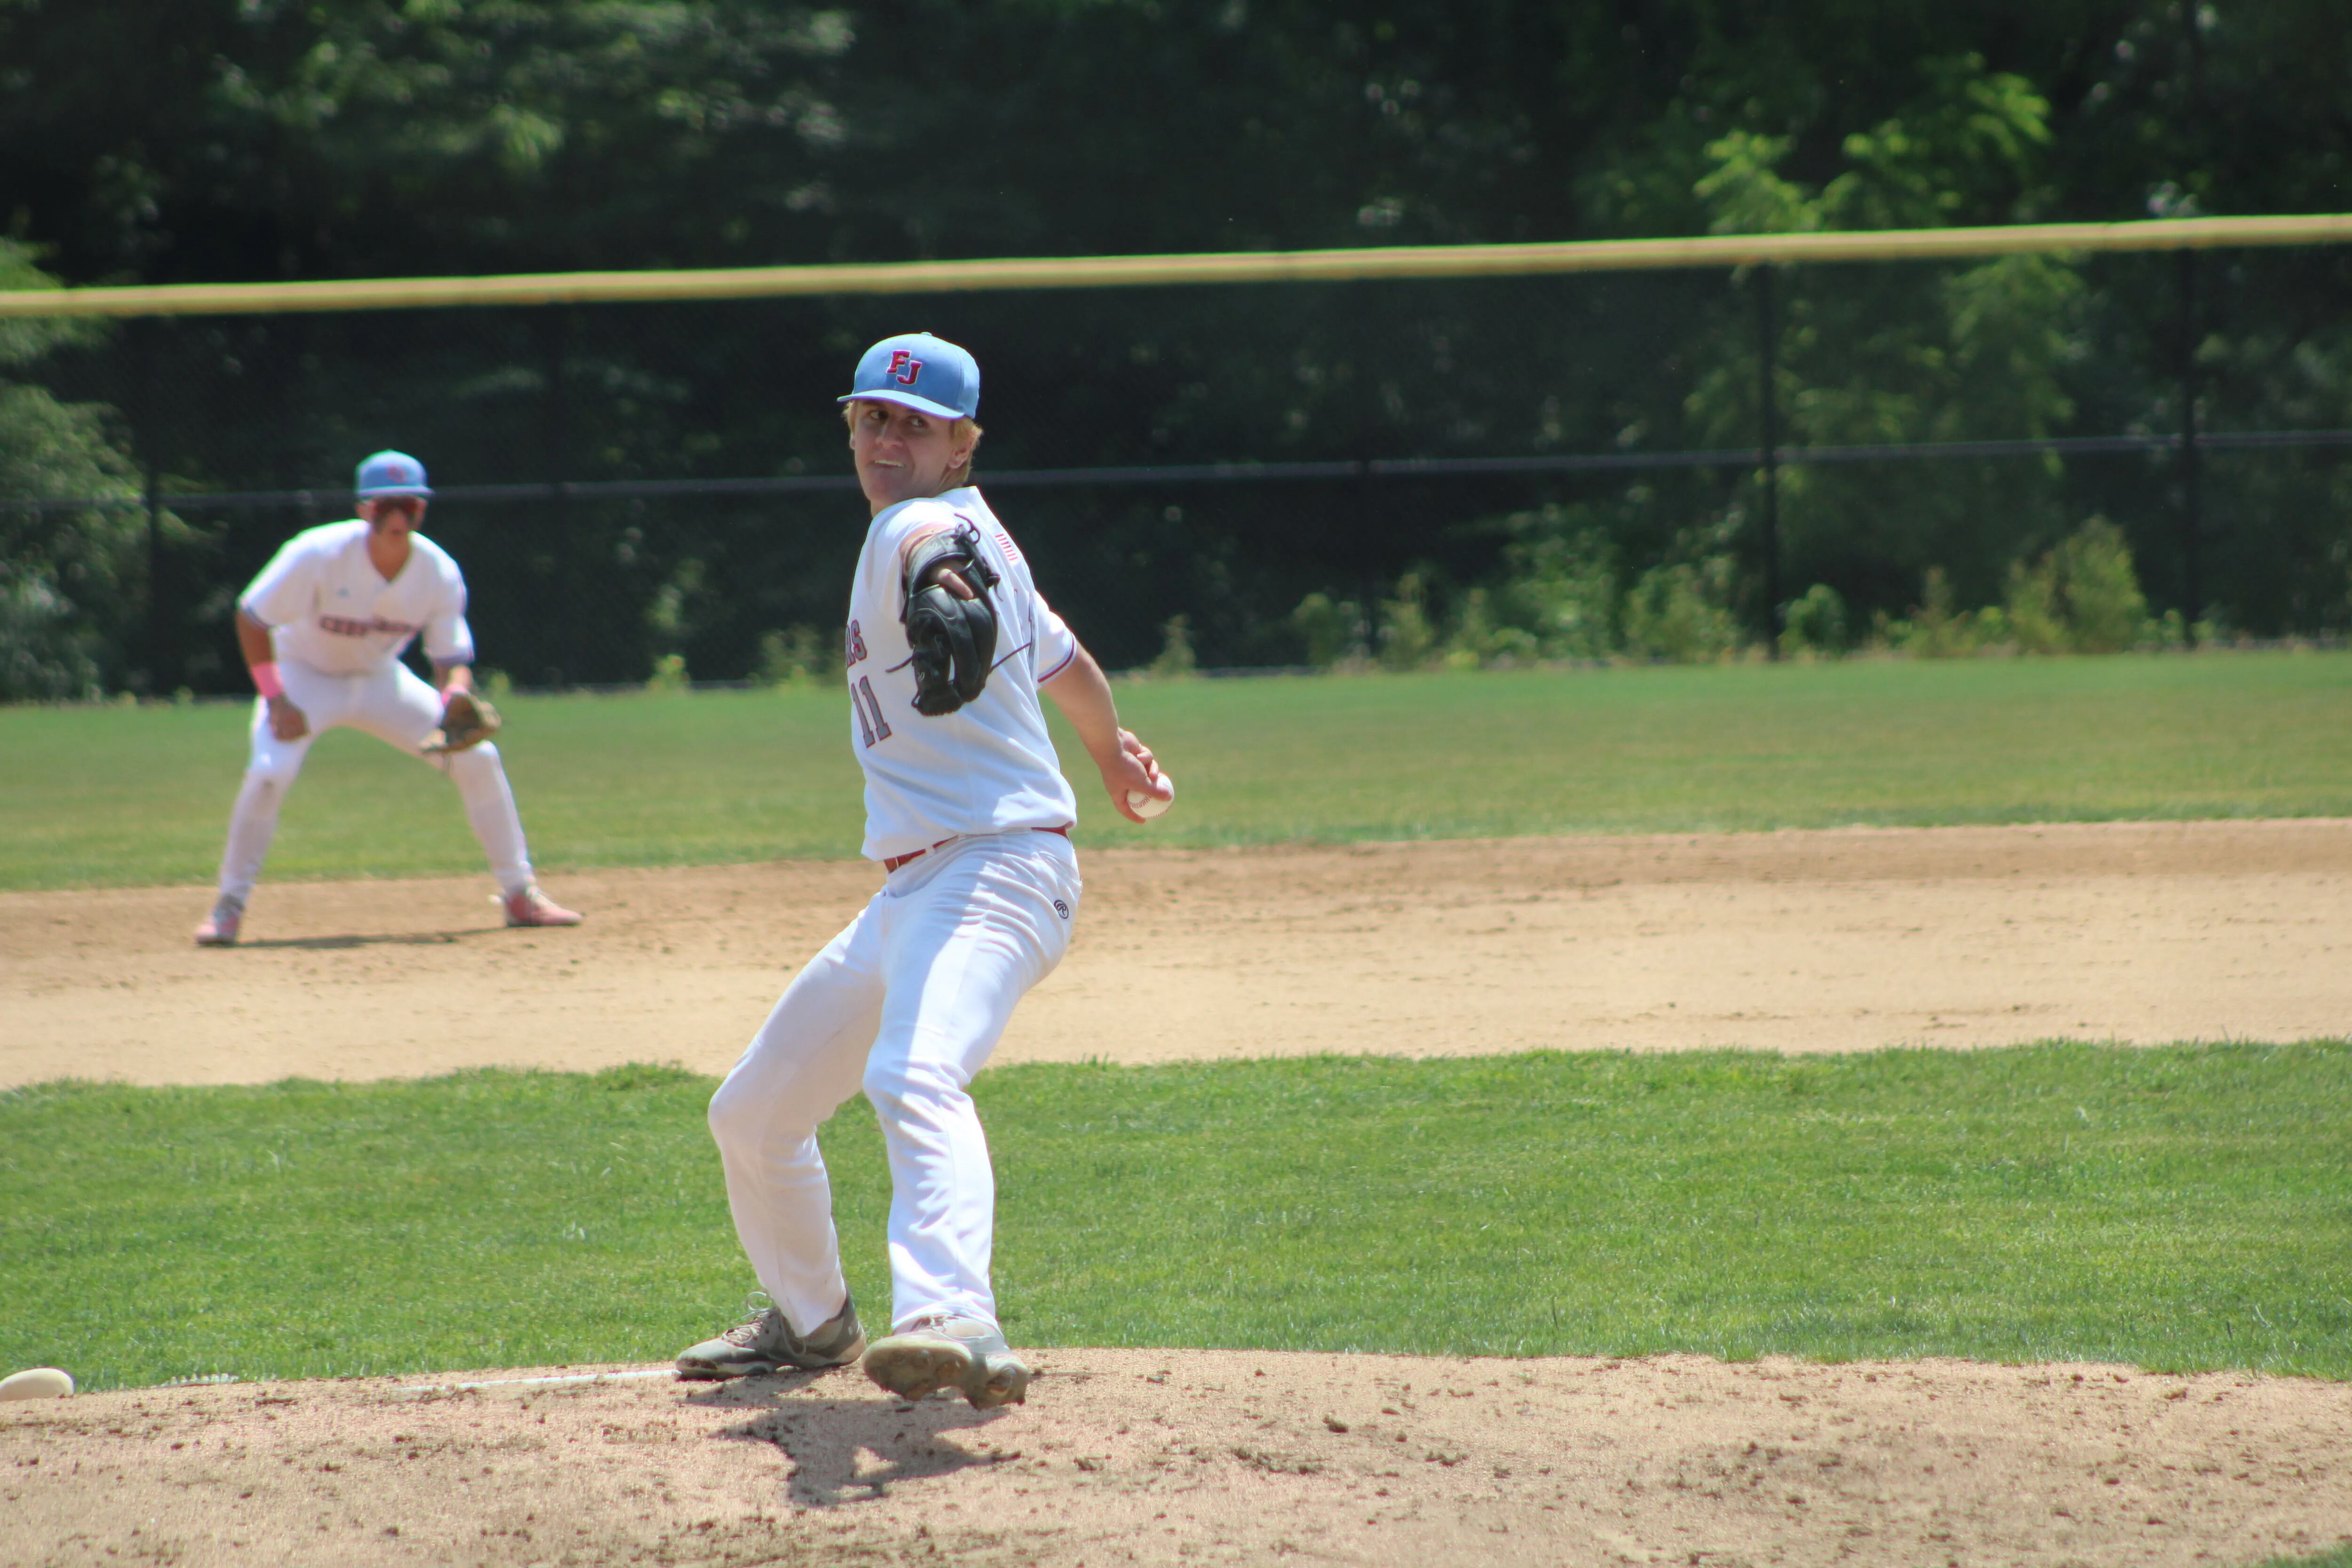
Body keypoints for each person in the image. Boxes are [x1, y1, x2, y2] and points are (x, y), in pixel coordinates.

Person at [677, 332, 1172, 1408]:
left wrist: (938, 579)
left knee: (912, 1071)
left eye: (913, 422)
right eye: (871, 418)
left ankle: (955, 1313)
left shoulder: (926, 526)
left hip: (996, 869)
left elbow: (929, 555)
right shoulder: (987, 534)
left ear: (962, 442)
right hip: (915, 890)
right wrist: (1108, 747)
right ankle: (811, 1325)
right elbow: (1066, 660)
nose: (887, 438)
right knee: (754, 1112)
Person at [192, 450, 583, 946]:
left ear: (423, 511)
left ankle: (520, 894)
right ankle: (229, 905)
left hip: (380, 680)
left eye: (409, 506)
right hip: (303, 676)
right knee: (270, 773)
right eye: (385, 507)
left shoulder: (437, 570)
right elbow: (252, 617)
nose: (397, 517)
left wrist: (454, 699)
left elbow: (449, 658)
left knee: (479, 757)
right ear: (363, 510)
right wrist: (275, 698)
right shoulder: (317, 553)